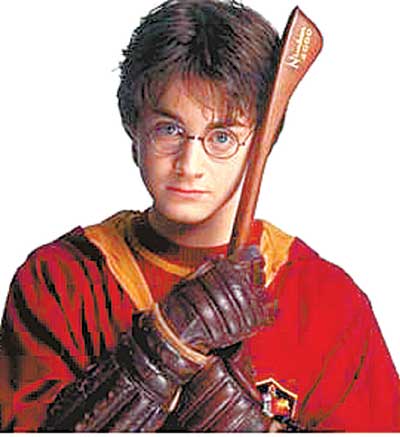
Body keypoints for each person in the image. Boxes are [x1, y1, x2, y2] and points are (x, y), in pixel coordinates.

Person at [0, 0, 399, 432]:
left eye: (222, 136)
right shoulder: (60, 280)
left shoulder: (326, 302)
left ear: (262, 144)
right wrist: (162, 348)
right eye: (169, 129)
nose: (189, 165)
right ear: (134, 130)